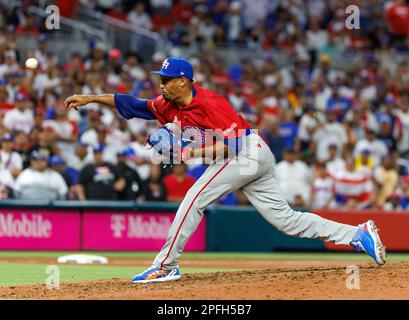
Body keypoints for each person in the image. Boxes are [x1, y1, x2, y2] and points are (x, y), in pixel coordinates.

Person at [65, 56, 386, 283]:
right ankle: (357, 235)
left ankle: (165, 265)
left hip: (246, 152)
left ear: (183, 81)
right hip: (249, 157)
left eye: (165, 80)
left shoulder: (210, 103)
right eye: (158, 79)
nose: (159, 85)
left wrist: (190, 151)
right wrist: (90, 98)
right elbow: (132, 104)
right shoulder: (168, 104)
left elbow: (232, 145)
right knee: (287, 221)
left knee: (194, 198)